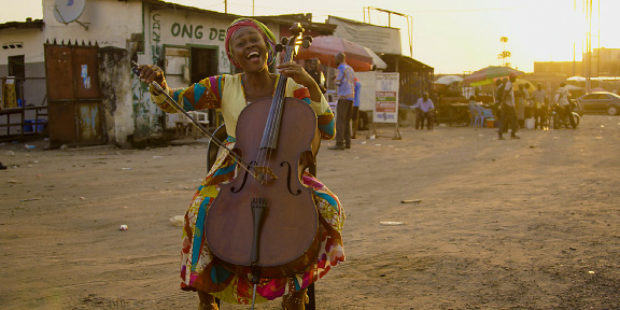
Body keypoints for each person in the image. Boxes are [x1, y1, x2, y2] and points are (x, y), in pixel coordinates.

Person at [137, 18, 345, 310]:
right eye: (241, 43)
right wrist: (159, 83)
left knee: (327, 206)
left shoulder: (292, 86)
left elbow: (328, 129)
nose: (249, 46)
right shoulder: (222, 86)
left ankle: (298, 288)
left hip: (283, 169)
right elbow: (175, 102)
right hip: (236, 169)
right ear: (233, 56)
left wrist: (309, 83)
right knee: (199, 211)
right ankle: (206, 295)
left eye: (254, 40)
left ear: (268, 47)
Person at [329, 52, 355, 150]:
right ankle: (348, 142)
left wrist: (334, 79)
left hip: (343, 97)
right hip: (351, 97)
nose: (335, 61)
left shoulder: (341, 68)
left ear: (339, 59)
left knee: (340, 120)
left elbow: (339, 82)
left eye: (336, 59)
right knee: (347, 120)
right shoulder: (350, 68)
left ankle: (339, 143)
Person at [498, 74, 519, 139]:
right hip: (508, 105)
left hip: (507, 104)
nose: (515, 79)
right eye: (514, 77)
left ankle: (501, 134)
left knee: (504, 119)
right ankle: (512, 134)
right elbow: (505, 93)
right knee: (514, 118)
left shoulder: (509, 84)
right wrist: (504, 103)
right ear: (512, 78)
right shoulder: (509, 84)